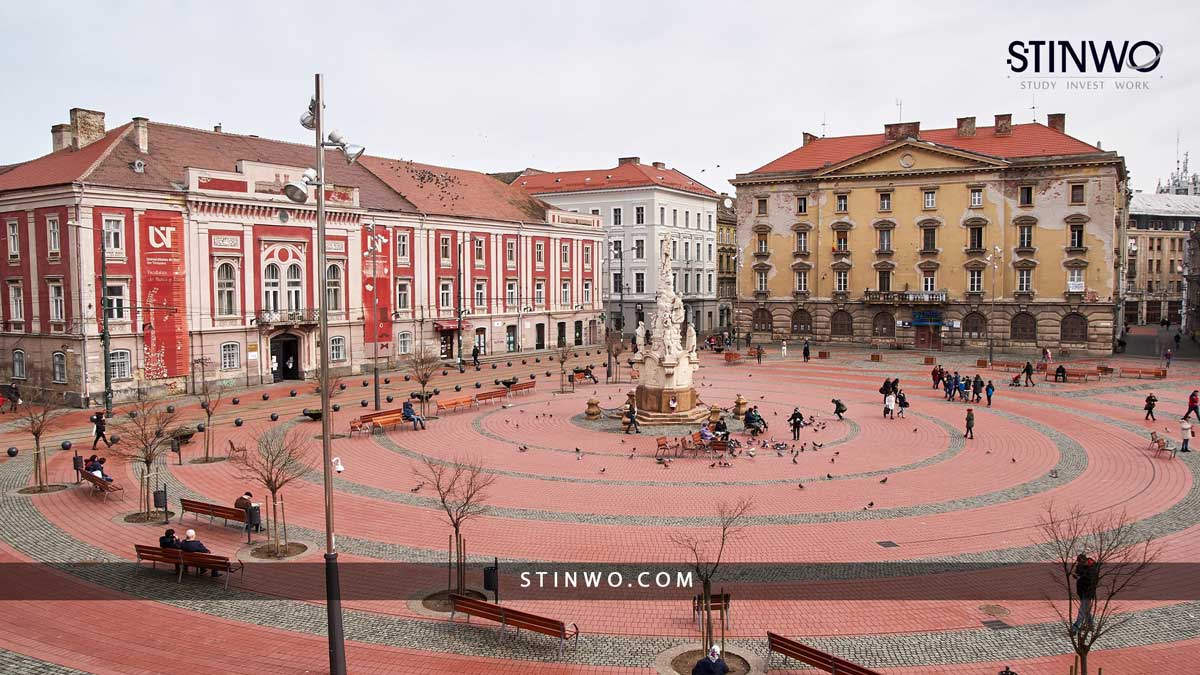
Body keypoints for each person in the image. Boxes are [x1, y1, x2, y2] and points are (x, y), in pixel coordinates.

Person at [1070, 554, 1097, 635]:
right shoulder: (1080, 566)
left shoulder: (1092, 568)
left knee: (1082, 610)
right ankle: (1091, 625)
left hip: (1088, 591)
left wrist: (1080, 578)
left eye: (1081, 563)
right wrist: (1075, 575)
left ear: (1085, 561)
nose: (1079, 564)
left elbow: (1091, 580)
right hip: (1082, 591)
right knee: (1086, 610)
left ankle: (1075, 627)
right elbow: (1078, 573)